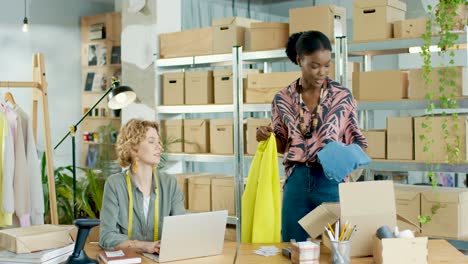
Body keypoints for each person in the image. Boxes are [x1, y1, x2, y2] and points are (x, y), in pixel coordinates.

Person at [256, 31, 367, 242]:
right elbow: (281, 143)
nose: (322, 72)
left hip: (331, 181)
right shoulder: (282, 98)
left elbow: (358, 142)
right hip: (296, 181)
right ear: (300, 60)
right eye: (315, 65)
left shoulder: (342, 97)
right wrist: (265, 135)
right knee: (292, 246)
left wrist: (345, 169)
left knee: (339, 248)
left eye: (327, 65)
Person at [99, 119, 185, 253]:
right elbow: (107, 237)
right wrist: (144, 246)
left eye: (158, 142)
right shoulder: (115, 184)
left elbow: (181, 229)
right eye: (151, 142)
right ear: (133, 148)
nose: (159, 147)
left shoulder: (169, 184)